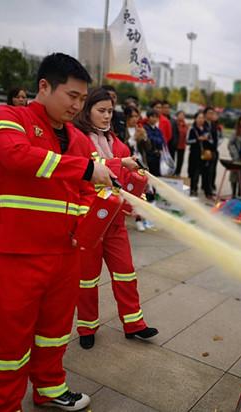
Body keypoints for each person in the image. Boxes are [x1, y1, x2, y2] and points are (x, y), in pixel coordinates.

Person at [0, 53, 112, 412]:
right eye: (72, 96)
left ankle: (50, 388)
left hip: (66, 253)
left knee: (54, 331)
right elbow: (15, 156)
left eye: (83, 99)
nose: (78, 105)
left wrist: (93, 212)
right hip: (18, 254)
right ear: (44, 86)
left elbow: (89, 188)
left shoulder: (77, 138)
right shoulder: (7, 118)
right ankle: (4, 405)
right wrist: (87, 171)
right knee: (10, 339)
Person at [73, 88, 158, 350]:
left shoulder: (117, 142)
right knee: (87, 279)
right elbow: (86, 169)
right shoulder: (77, 139)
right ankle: (87, 327)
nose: (107, 116)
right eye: (101, 110)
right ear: (87, 111)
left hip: (115, 221)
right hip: (90, 219)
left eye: (110, 111)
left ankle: (134, 323)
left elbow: (125, 180)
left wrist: (138, 180)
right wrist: (122, 163)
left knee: (126, 273)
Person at [187, 111, 213, 198]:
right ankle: (193, 190)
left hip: (205, 154)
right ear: (195, 119)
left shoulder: (207, 129)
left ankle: (208, 192)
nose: (201, 120)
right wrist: (197, 139)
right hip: (195, 154)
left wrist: (207, 139)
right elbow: (187, 141)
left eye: (202, 118)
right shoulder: (192, 129)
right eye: (199, 118)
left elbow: (212, 141)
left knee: (206, 173)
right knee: (194, 173)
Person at [228, 115, 241, 197]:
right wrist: (235, 154)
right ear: (239, 122)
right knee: (234, 176)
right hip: (236, 157)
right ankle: (233, 193)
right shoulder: (235, 132)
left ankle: (240, 193)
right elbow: (230, 144)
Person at [204, 107, 219, 193]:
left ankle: (209, 188)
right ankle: (206, 189)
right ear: (205, 114)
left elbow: (216, 138)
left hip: (213, 150)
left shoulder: (214, 125)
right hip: (205, 150)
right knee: (205, 171)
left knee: (212, 171)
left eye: (212, 113)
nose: (211, 115)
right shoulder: (203, 123)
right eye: (209, 113)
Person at [174, 110, 188, 176]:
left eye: (183, 115)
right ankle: (172, 171)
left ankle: (178, 172)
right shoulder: (174, 123)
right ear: (177, 115)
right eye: (180, 115)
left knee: (180, 160)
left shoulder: (185, 124)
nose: (182, 116)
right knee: (173, 159)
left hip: (182, 145)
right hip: (175, 144)